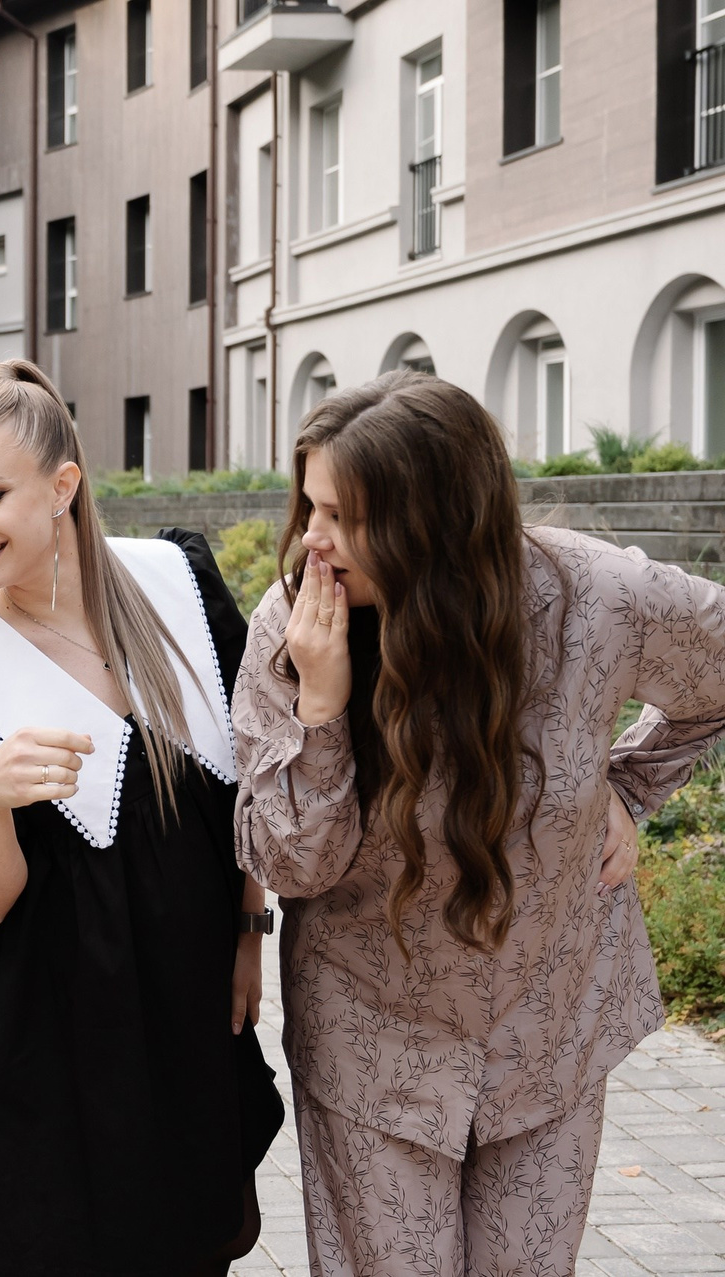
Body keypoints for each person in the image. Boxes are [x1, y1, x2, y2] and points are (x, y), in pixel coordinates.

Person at [234, 371, 725, 1276]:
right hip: (372, 1039)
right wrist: (322, 707)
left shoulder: (597, 596)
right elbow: (292, 864)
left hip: (552, 1017)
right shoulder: (294, 624)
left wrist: (627, 787)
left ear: (437, 522)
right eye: (310, 507)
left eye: (342, 516)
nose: (312, 539)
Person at [0, 359, 283, 1276]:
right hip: (50, 1035)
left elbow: (248, 781)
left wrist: (250, 931)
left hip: (185, 1002)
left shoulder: (177, 586)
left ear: (62, 486)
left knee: (198, 1242)